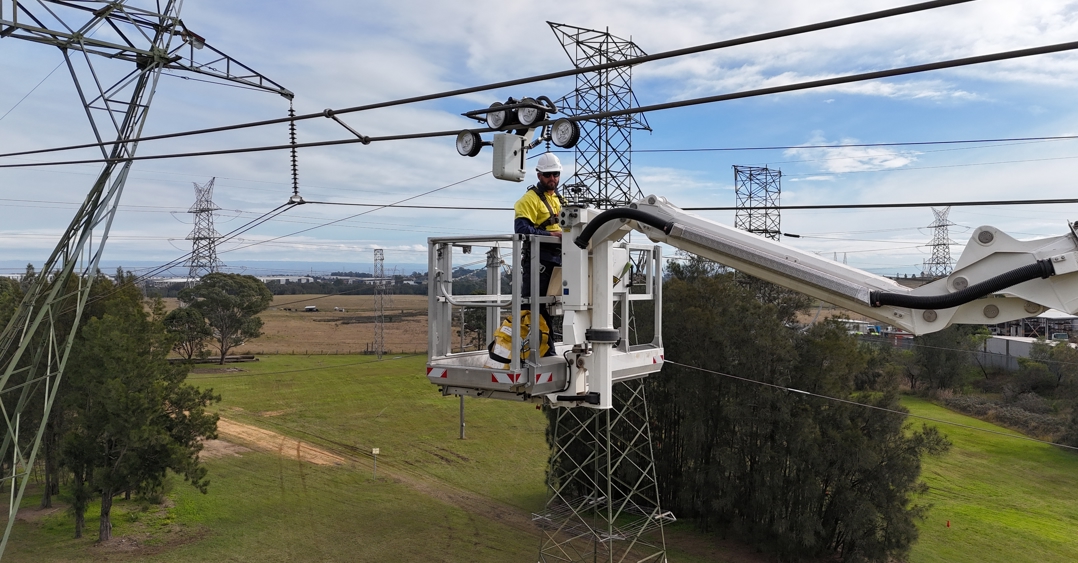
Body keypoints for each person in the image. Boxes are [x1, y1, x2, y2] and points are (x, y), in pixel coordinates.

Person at [513, 152, 565, 354]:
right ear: (539, 175)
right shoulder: (528, 200)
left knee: (552, 307)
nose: (553, 179)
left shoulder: (560, 199)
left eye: (556, 174)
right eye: (548, 175)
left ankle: (547, 349)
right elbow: (523, 230)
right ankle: (538, 351)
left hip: (558, 261)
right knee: (534, 307)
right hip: (539, 263)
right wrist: (552, 235)